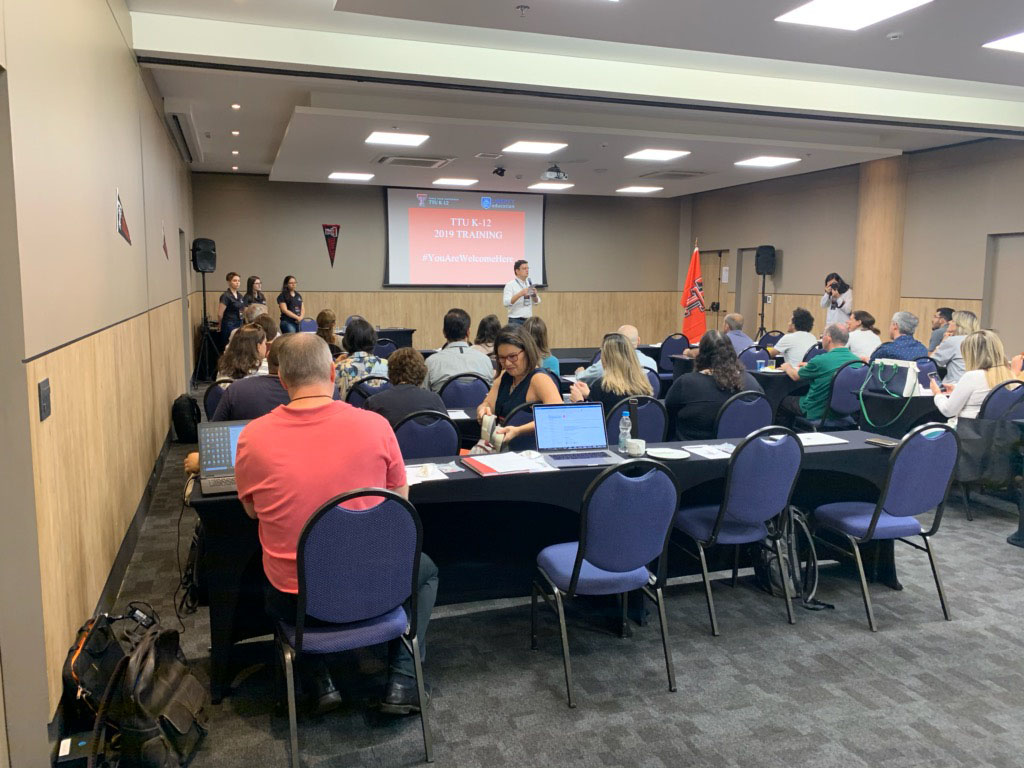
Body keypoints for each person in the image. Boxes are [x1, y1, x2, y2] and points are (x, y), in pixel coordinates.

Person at [234, 334, 437, 715]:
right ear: (332, 372)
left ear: (282, 380)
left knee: (277, 576)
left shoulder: (252, 438)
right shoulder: (375, 426)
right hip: (379, 586)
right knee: (424, 572)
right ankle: (404, 681)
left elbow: (252, 513)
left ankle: (317, 677)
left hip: (299, 601)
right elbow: (399, 504)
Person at [664, 330, 762, 441]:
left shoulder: (686, 383)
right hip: (741, 451)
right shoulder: (752, 382)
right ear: (732, 353)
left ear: (702, 354)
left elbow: (669, 413)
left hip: (693, 451)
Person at [476, 325, 561, 445]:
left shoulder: (540, 379)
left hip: (529, 451)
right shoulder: (504, 376)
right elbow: (488, 403)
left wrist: (519, 431)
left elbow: (558, 415)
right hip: (504, 449)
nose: (507, 363)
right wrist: (483, 410)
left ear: (527, 352)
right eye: (502, 358)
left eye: (512, 356)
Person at [778, 324, 861, 426]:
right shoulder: (857, 360)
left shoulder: (820, 360)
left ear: (828, 339)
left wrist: (787, 366)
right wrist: (810, 366)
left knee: (782, 401)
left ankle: (784, 437)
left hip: (817, 411)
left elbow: (795, 376)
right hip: (844, 413)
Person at [930, 330, 1013, 425]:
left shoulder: (972, 377)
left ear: (971, 355)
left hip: (968, 432)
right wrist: (957, 388)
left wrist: (937, 394)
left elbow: (948, 411)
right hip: (997, 434)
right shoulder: (1009, 375)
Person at [569, 332, 653, 414]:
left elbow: (594, 421)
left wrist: (579, 401)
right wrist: (589, 395)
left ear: (605, 358)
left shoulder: (603, 386)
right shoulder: (644, 386)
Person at [366, 348, 447, 428]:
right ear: (422, 372)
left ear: (390, 372)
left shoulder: (374, 402)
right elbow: (447, 429)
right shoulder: (434, 399)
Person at [424, 308, 494, 391]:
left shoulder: (431, 362)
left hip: (444, 404)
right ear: (468, 332)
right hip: (479, 404)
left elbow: (424, 394)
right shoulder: (485, 360)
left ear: (444, 333)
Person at [575, 324, 658, 385]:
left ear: (617, 342)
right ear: (638, 341)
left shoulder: (609, 363)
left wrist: (579, 372)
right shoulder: (652, 363)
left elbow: (583, 378)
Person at [336, 317, 388, 398]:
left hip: (350, 410)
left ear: (347, 341)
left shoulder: (339, 368)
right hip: (378, 410)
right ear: (373, 339)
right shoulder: (386, 365)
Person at [931, 310, 979, 385]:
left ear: (960, 324)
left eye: (953, 320)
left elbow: (932, 362)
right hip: (976, 383)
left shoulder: (953, 341)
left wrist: (942, 344)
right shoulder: (979, 341)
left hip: (954, 385)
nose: (949, 322)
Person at [683, 313, 753, 358]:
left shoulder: (722, 339)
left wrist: (688, 352)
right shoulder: (750, 341)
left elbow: (702, 354)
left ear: (727, 326)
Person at [502, 259, 540, 326]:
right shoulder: (510, 285)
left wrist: (534, 296)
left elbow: (536, 302)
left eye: (527, 268)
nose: (527, 270)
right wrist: (520, 294)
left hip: (528, 320)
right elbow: (506, 303)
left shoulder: (529, 284)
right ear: (517, 271)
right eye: (524, 268)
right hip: (515, 320)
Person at [218, 271, 245, 347]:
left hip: (239, 322)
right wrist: (220, 325)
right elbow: (220, 314)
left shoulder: (240, 296)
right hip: (229, 324)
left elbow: (242, 309)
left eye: (239, 281)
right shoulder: (225, 296)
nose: (237, 283)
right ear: (229, 282)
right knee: (229, 345)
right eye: (235, 280)